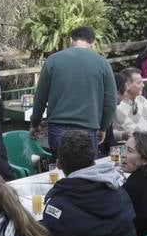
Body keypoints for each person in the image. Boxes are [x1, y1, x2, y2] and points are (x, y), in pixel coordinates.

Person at [30, 26, 118, 156]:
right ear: (93, 43)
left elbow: (40, 97)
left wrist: (35, 123)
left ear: (71, 40)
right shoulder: (103, 64)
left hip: (58, 127)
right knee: (85, 171)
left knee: (60, 169)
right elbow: (110, 101)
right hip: (89, 128)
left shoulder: (53, 60)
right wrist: (103, 127)